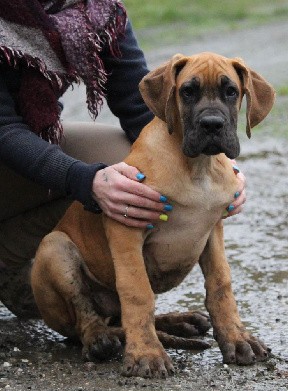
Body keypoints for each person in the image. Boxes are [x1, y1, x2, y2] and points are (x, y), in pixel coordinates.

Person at [0, 0, 246, 316]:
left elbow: (138, 106)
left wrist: (219, 164)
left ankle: (42, 273)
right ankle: (10, 265)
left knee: (134, 172)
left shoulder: (98, 9)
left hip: (28, 142)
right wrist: (86, 180)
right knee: (110, 179)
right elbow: (4, 129)